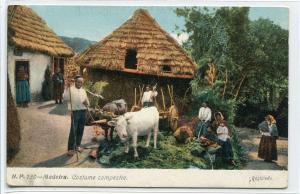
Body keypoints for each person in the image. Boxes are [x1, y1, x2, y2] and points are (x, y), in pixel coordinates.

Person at [64, 75, 89, 157]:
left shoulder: (83, 91)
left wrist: (87, 103)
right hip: (75, 112)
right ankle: (71, 149)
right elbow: (65, 98)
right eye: (78, 82)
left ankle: (77, 145)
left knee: (80, 129)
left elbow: (87, 102)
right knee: (73, 130)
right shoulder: (71, 89)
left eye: (81, 82)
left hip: (83, 111)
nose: (80, 83)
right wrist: (67, 88)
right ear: (75, 82)